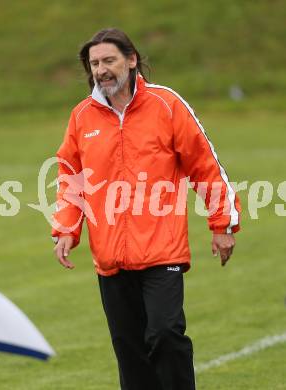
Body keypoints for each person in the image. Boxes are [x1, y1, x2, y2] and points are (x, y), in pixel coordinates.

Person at [52, 28, 241, 390]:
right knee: (129, 349)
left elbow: (205, 166)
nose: (102, 70)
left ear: (132, 59)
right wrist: (65, 229)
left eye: (109, 60)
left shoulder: (166, 104)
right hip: (109, 255)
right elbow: (71, 178)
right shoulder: (82, 117)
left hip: (161, 249)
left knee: (166, 335)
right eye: (95, 64)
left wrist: (222, 224)